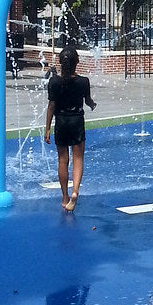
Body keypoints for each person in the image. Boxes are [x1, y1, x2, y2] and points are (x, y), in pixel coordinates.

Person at [44, 46, 96, 211]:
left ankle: (65, 196)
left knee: (62, 160)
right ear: (77, 63)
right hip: (77, 121)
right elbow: (87, 100)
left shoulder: (54, 82)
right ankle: (75, 192)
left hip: (61, 121)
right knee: (78, 158)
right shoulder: (83, 81)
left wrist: (47, 129)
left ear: (60, 63)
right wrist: (92, 104)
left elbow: (51, 106)